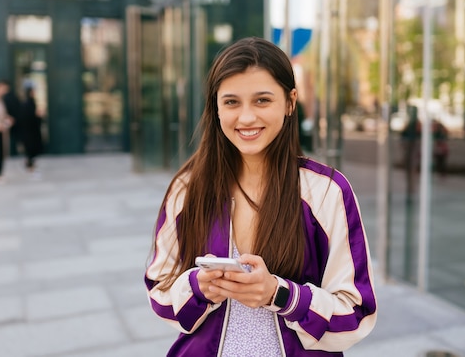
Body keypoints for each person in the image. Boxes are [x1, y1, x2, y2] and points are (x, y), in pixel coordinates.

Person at [145, 37, 377, 356]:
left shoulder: (326, 191)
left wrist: (279, 295)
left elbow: (356, 314)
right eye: (231, 102)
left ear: (290, 102)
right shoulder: (188, 188)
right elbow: (159, 291)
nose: (246, 118)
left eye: (262, 100)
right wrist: (199, 287)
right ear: (215, 107)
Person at [20, 83, 43, 174]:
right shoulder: (27, 103)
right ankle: (29, 164)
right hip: (29, 130)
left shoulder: (31, 102)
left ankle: (31, 163)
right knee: (30, 147)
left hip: (32, 130)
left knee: (33, 147)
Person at [1, 79, 22, 156]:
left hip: (11, 121)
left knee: (11, 138)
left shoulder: (8, 97)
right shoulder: (11, 96)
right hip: (11, 121)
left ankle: (12, 153)